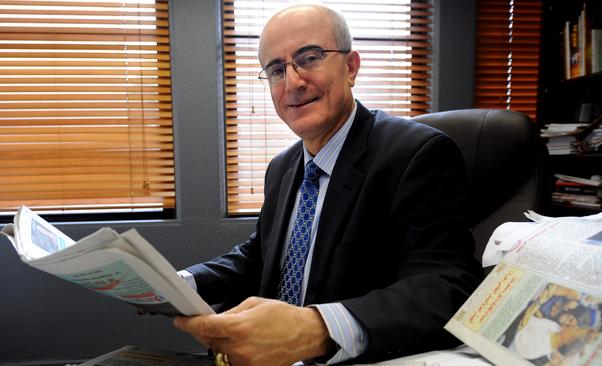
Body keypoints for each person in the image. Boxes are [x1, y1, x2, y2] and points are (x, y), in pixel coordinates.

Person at [171, 4, 483, 365]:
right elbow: (260, 255)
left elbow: (445, 286)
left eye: (310, 57)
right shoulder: (283, 167)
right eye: (276, 69)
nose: (293, 82)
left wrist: (316, 328)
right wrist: (180, 283)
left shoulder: (418, 154)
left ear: (351, 67)